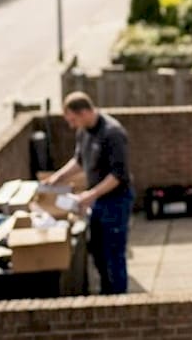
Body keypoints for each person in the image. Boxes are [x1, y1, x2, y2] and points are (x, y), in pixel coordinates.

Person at [45, 91, 135, 294]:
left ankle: (119, 299)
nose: (72, 125)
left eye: (73, 119)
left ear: (85, 112)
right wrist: (57, 178)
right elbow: (79, 161)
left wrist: (89, 195)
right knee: (98, 251)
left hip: (116, 201)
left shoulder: (113, 134)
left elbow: (118, 175)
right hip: (97, 201)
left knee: (114, 254)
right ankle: (106, 293)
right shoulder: (83, 131)